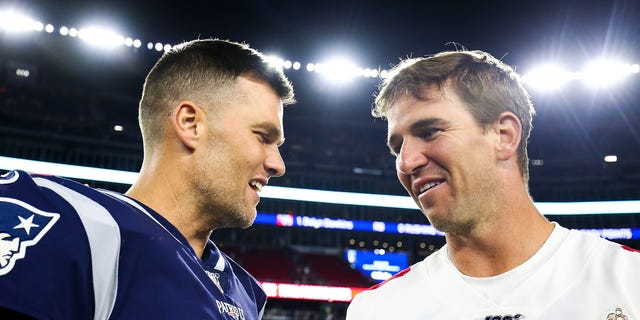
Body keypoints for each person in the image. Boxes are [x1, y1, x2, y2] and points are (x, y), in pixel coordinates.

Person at [0, 38, 295, 319]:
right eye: (262, 137)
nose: (277, 165)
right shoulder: (72, 227)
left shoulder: (244, 293)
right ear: (190, 124)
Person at [346, 50, 640, 319]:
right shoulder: (377, 310)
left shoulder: (630, 280)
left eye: (429, 132)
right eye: (397, 148)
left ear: (504, 136)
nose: (406, 163)